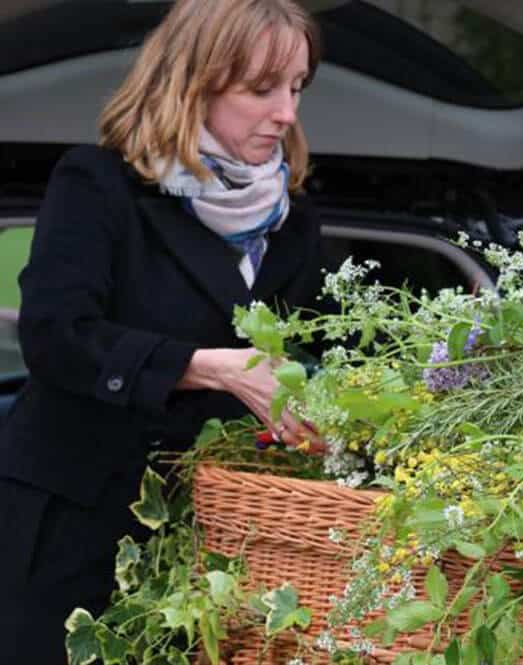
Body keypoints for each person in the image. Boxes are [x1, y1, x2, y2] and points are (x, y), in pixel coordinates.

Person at [0, 0, 326, 662]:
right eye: (262, 89)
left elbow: (300, 366)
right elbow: (56, 336)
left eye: (295, 88)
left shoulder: (294, 223)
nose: (287, 114)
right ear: (196, 79)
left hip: (211, 548)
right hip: (71, 530)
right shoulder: (97, 185)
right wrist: (212, 366)